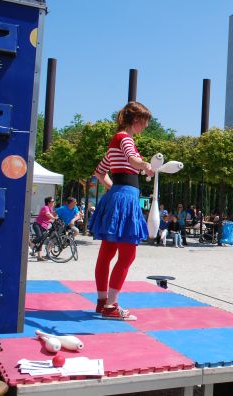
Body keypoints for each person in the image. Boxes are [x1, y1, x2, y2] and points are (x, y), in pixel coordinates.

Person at [89, 101, 153, 321]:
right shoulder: (125, 139)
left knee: (107, 252)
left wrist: (113, 189)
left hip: (116, 197)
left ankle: (102, 301)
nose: (146, 126)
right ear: (136, 119)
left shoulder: (115, 142)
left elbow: (99, 172)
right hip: (125, 199)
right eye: (144, 121)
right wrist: (143, 165)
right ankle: (111, 306)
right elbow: (132, 158)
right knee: (127, 254)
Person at [32, 196, 58, 261]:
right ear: (49, 202)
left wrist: (57, 217)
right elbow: (48, 214)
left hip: (44, 227)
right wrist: (54, 218)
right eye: (52, 201)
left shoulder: (50, 209)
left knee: (41, 240)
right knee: (40, 236)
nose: (54, 202)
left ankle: (39, 257)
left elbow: (53, 214)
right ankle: (31, 244)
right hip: (38, 224)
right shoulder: (45, 207)